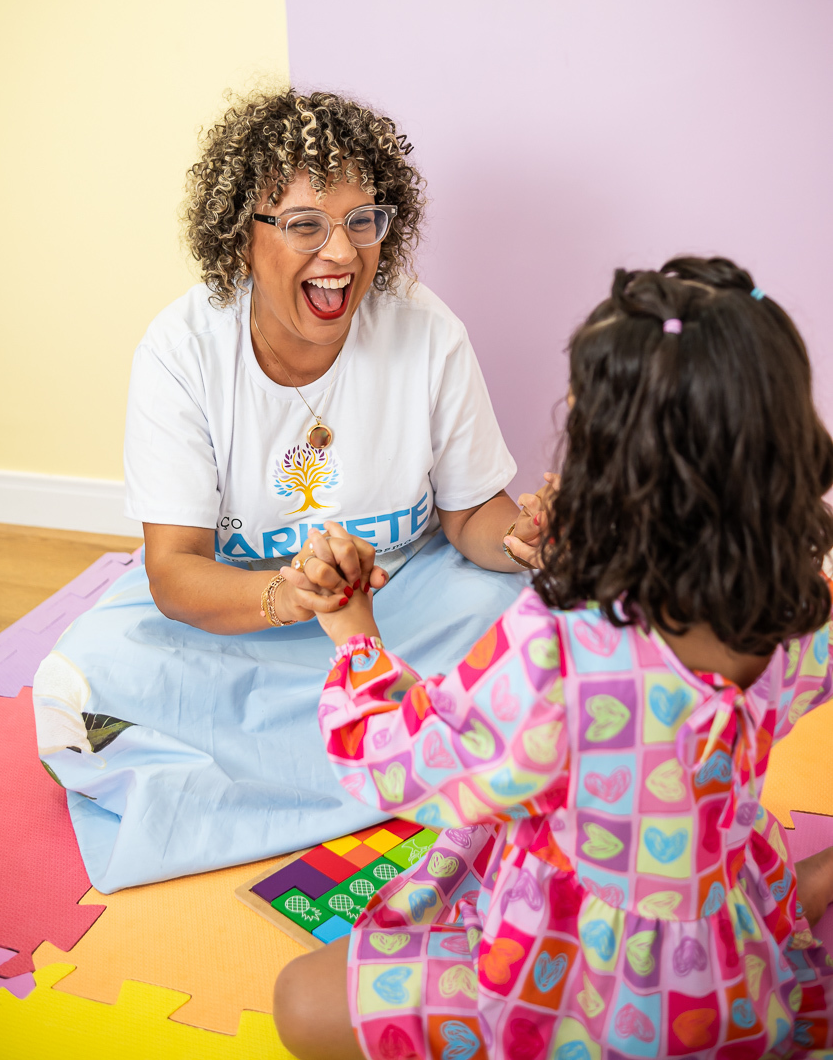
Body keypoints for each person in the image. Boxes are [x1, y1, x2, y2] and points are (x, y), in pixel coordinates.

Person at [273, 256, 833, 1060]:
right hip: (724, 960)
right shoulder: (800, 604)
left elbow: (394, 761)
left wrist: (353, 631)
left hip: (581, 989)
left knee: (301, 997)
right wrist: (589, 548)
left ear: (615, 468)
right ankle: (793, 908)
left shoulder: (562, 646)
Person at [32, 88, 546, 892]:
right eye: (306, 224)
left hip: (399, 608)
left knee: (540, 614)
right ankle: (405, 757)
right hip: (236, 622)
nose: (340, 253)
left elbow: (473, 513)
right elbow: (173, 570)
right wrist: (292, 595)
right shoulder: (182, 349)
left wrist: (525, 543)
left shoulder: (425, 329)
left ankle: (302, 769)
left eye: (361, 220)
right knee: (76, 689)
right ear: (243, 236)